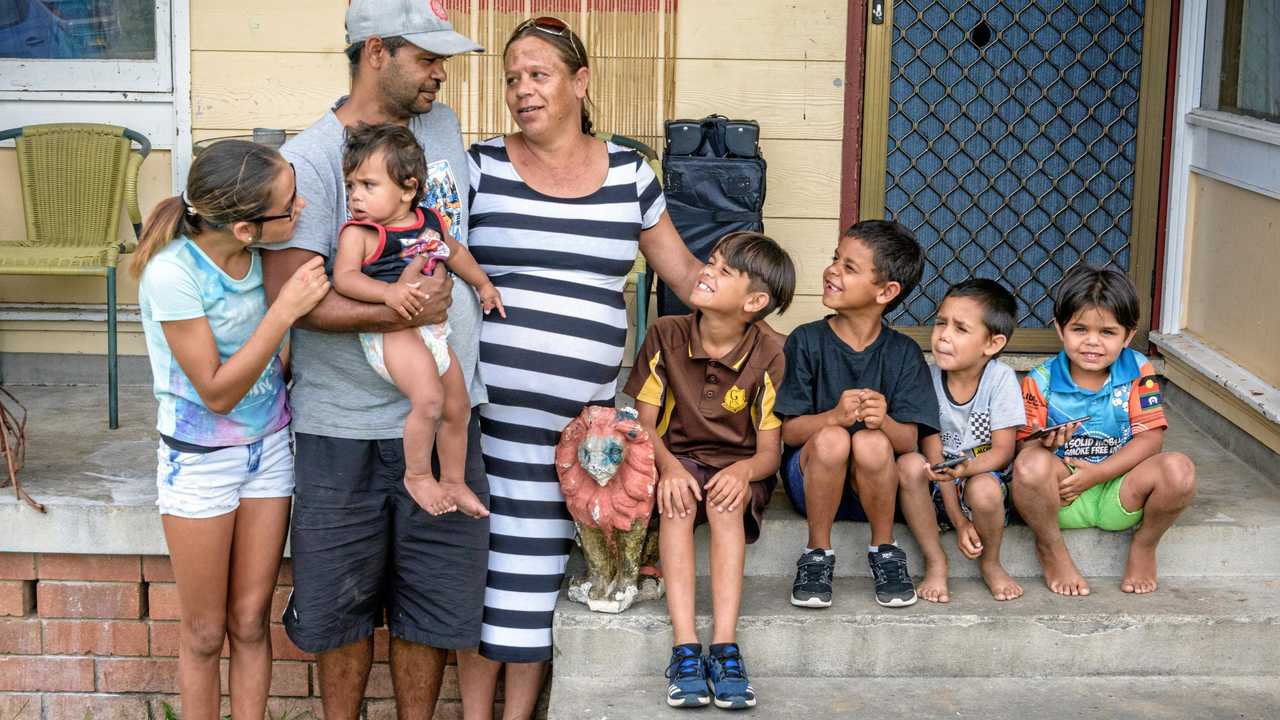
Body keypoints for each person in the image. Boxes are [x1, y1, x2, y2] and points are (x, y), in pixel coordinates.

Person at [465, 16, 703, 717]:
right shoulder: (482, 166)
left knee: (534, 584)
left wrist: (754, 303)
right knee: (479, 581)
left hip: (580, 441)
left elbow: (685, 275)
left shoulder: (630, 173)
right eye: (512, 78)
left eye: (538, 74)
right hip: (483, 425)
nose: (521, 90)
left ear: (580, 81)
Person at [259, 1, 493, 717]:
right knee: (341, 617)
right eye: (426, 59)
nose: (440, 74)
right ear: (376, 54)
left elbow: (447, 238)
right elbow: (294, 299)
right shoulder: (314, 159)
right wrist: (400, 309)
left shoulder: (442, 130)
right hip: (346, 432)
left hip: (451, 413)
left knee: (431, 613)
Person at [132, 140, 329, 719]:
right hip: (199, 460)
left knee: (249, 622)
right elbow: (216, 391)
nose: (302, 207)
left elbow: (275, 363)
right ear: (245, 227)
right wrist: (284, 312)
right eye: (289, 202)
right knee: (203, 632)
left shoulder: (268, 256)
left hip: (269, 452)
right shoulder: (173, 274)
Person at [624, 232, 795, 710]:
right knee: (677, 504)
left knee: (724, 505)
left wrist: (743, 475)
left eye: (723, 271)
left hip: (737, 468)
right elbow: (643, 425)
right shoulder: (667, 333)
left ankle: (725, 647)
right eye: (711, 262)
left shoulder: (769, 355)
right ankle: (684, 649)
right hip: (674, 459)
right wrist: (671, 468)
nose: (706, 271)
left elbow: (768, 453)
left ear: (755, 302)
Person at [332, 123, 501, 517]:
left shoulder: (430, 222)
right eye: (352, 185)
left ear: (408, 188)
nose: (356, 196)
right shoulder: (360, 234)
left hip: (433, 332)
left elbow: (456, 253)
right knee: (428, 399)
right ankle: (419, 475)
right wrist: (387, 294)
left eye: (368, 185)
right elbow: (345, 278)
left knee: (458, 406)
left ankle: (455, 481)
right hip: (392, 333)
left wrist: (483, 285)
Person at [775, 220, 939, 610]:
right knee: (833, 438)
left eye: (849, 268)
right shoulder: (807, 340)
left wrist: (884, 420)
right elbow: (791, 431)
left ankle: (884, 548)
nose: (832, 271)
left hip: (877, 489)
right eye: (835, 259)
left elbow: (908, 442)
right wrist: (833, 415)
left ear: (886, 291)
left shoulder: (902, 353)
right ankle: (817, 553)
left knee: (871, 439)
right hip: (813, 482)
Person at [1013, 265, 1196, 596]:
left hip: (1121, 490)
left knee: (1179, 470)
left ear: (1127, 335)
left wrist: (1097, 474)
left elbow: (1151, 438)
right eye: (1079, 329)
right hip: (1064, 495)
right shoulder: (1040, 380)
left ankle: (1144, 544)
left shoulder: (1138, 369)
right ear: (1060, 329)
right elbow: (1024, 452)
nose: (1092, 343)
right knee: (1028, 466)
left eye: (1108, 333)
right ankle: (1051, 548)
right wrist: (1044, 447)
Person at [896, 279, 1027, 603]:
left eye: (960, 329)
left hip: (981, 483)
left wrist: (964, 470)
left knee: (983, 487)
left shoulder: (1001, 379)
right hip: (936, 485)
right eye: (941, 322)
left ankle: (991, 562)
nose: (944, 335)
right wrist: (956, 518)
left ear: (992, 344)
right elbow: (934, 455)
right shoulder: (925, 377)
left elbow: (1002, 452)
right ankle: (936, 561)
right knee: (909, 464)